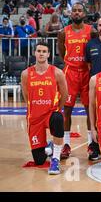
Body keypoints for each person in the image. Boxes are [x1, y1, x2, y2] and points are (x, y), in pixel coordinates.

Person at [57, 3, 97, 159]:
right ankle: (66, 144)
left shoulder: (91, 31)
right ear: (70, 14)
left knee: (89, 109)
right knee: (67, 109)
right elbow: (61, 52)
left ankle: (91, 144)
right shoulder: (63, 33)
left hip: (87, 72)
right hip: (70, 73)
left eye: (80, 11)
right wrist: (70, 62)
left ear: (84, 13)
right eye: (74, 11)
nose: (77, 13)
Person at [20, 42, 68, 175]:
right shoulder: (25, 74)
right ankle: (50, 147)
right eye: (39, 51)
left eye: (44, 51)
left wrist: (58, 107)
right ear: (34, 53)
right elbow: (26, 95)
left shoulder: (57, 72)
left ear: (48, 54)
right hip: (34, 117)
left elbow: (65, 94)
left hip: (50, 113)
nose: (41, 53)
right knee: (39, 160)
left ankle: (56, 159)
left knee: (58, 117)